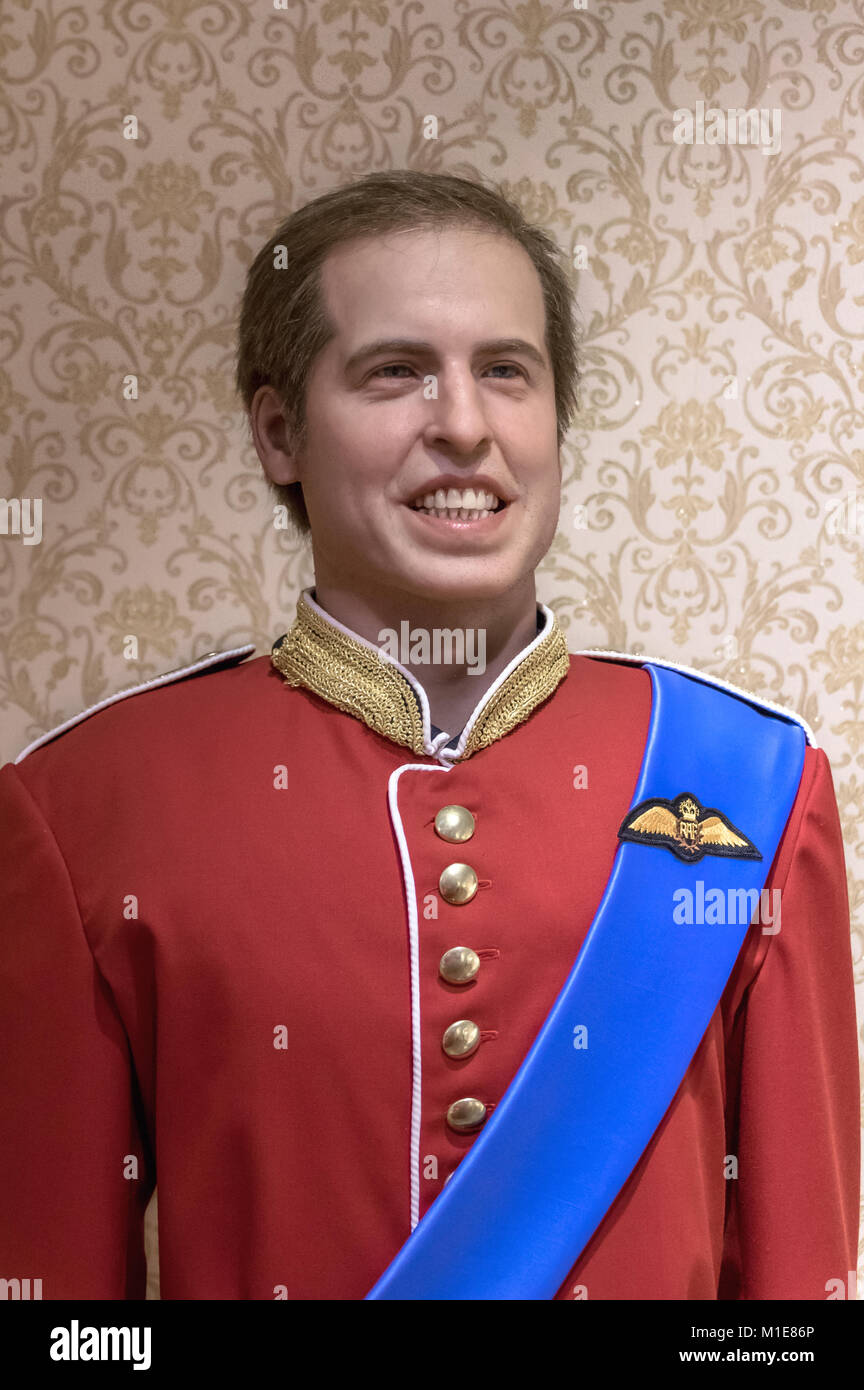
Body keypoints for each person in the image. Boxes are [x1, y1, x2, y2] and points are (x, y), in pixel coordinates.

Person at [0, 170, 858, 1301]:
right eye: (396, 372)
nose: (463, 424)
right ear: (277, 433)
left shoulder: (753, 784)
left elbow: (796, 1308)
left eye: (507, 371)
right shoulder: (87, 807)